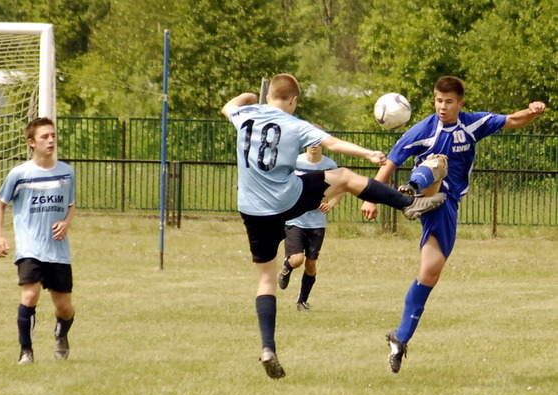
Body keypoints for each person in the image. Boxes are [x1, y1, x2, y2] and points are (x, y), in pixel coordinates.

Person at [221, 73, 447, 379]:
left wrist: (249, 96)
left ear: (269, 95)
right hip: (285, 199)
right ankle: (409, 204)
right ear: (294, 100)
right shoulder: (296, 124)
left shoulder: (244, 114)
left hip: (251, 209)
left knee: (265, 280)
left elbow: (229, 106)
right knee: (343, 176)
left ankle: (268, 348)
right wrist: (368, 153)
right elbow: (333, 143)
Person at [360, 76, 546, 374]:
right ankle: (411, 190)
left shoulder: (472, 124)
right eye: (438, 100)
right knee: (436, 163)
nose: (442, 106)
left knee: (430, 273)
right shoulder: (423, 128)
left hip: (446, 206)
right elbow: (391, 162)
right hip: (429, 192)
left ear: (460, 103)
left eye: (448, 101)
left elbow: (513, 120)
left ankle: (400, 338)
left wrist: (533, 111)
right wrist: (371, 197)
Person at [0, 117, 77, 365]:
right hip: (30, 247)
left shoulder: (67, 172)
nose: (51, 140)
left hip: (58, 250)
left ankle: (61, 333)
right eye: (44, 137)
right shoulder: (19, 174)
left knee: (64, 307)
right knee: (30, 296)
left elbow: (71, 205)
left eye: (53, 135)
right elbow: (0, 206)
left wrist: (67, 222)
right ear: (31, 143)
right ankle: (26, 351)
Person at [277, 145, 344, 312]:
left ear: (323, 144)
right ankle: (287, 266)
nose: (313, 145)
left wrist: (331, 203)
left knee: (311, 263)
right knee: (297, 260)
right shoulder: (295, 162)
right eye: (310, 141)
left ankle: (302, 301)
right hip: (295, 219)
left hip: (317, 223)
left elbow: (342, 187)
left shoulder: (330, 165)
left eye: (317, 141)